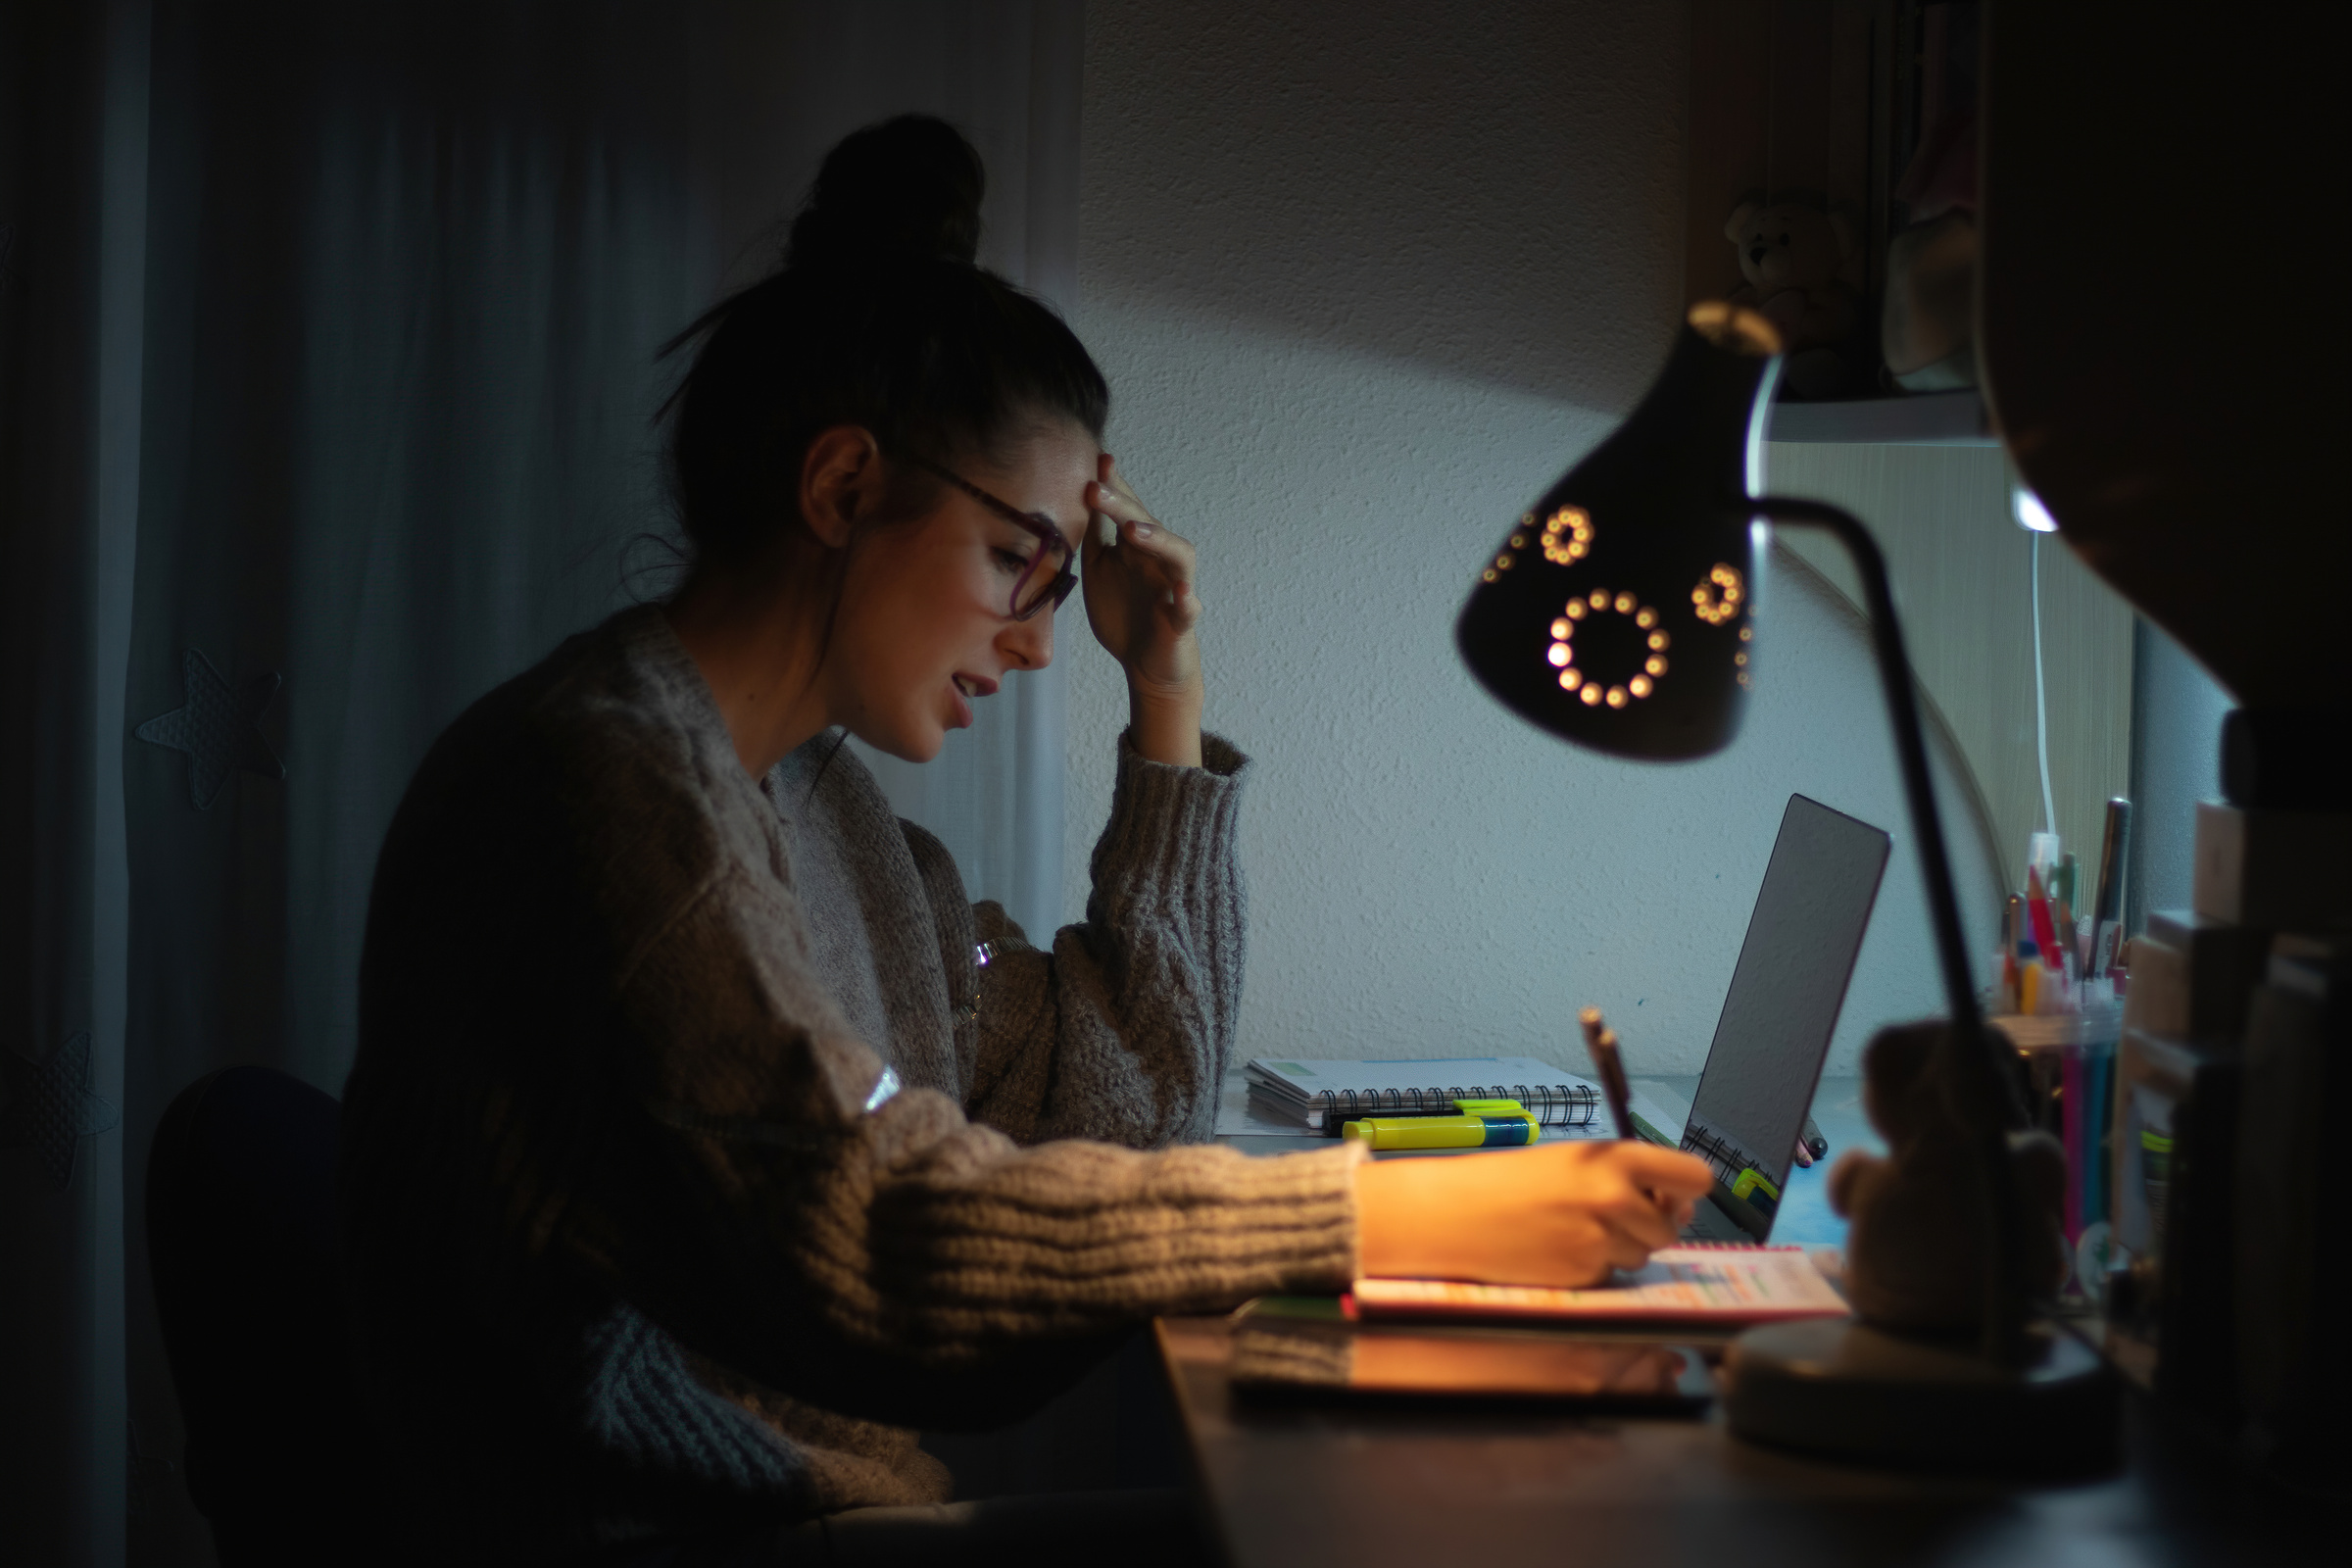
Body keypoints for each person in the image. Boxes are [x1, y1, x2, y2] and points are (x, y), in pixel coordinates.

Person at [340, 115, 1712, 1566]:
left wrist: (1167, 699)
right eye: (1022, 560)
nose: (1042, 638)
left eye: (1063, 576)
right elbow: (879, 1249)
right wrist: (1387, 1216)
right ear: (844, 489)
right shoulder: (604, 791)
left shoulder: (823, 811)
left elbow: (1121, 1109)